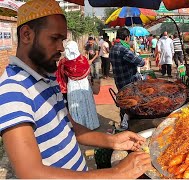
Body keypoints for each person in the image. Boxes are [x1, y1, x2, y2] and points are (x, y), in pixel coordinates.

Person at [0, 0, 151, 178]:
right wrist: (116, 173)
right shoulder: (13, 90)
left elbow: (71, 127)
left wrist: (113, 141)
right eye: (54, 38)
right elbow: (30, 173)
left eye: (62, 40)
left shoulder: (47, 78)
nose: (61, 48)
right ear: (26, 35)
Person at [56, 41, 100, 130]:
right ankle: (91, 124)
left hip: (72, 86)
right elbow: (88, 72)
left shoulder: (64, 62)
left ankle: (78, 127)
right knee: (87, 104)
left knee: (75, 106)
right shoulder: (83, 59)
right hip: (84, 85)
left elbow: (59, 75)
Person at [110, 28, 145, 129]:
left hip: (119, 81)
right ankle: (131, 125)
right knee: (132, 103)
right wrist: (134, 53)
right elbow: (141, 62)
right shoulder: (123, 49)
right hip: (128, 81)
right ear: (126, 37)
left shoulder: (113, 47)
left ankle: (124, 123)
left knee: (123, 102)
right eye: (129, 38)